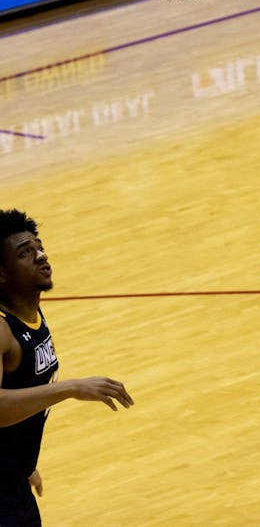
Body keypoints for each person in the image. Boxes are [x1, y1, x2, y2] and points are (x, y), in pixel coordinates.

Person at [0, 209, 134, 525]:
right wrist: (71, 388)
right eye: (25, 253)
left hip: (11, 483)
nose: (41, 256)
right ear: (2, 273)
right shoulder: (1, 330)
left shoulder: (28, 311)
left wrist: (21, 462)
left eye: (39, 247)